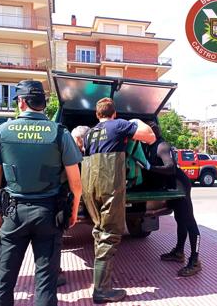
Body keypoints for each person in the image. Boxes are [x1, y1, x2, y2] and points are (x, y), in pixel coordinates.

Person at [0, 80, 83, 306]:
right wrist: (74, 210)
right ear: (43, 103)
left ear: (21, 102)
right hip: (48, 213)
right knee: (46, 282)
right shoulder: (59, 133)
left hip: (13, 210)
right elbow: (76, 182)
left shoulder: (2, 131)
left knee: (5, 279)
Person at [81, 97, 155, 304]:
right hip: (109, 185)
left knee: (99, 231)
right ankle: (102, 290)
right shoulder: (119, 125)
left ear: (97, 115)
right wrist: (136, 121)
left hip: (90, 186)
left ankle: (100, 284)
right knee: (109, 234)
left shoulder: (89, 133)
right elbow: (149, 137)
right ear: (114, 113)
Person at [142, 121, 202, 277]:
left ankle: (195, 260)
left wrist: (149, 167)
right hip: (171, 187)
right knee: (179, 219)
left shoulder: (162, 146)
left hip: (179, 186)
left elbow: (170, 168)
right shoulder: (149, 146)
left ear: (152, 133)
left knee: (188, 221)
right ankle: (179, 252)